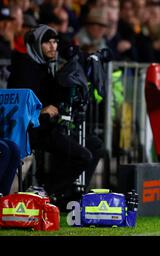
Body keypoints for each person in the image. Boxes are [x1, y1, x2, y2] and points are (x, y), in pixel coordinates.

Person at [7, 24, 106, 205]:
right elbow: (16, 102)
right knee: (83, 156)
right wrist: (41, 111)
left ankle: (63, 193)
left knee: (95, 145)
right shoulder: (24, 68)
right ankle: (45, 190)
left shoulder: (44, 66)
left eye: (55, 42)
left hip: (49, 127)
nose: (53, 46)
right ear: (36, 44)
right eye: (47, 43)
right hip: (34, 130)